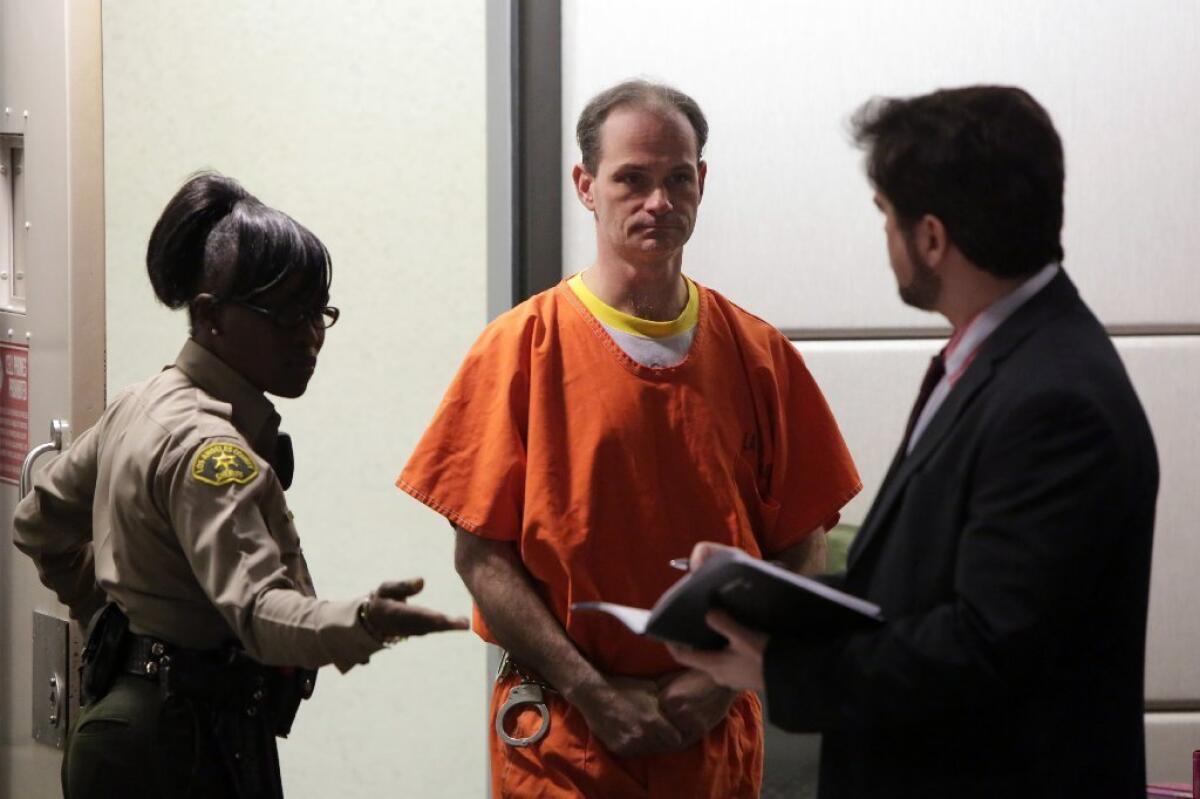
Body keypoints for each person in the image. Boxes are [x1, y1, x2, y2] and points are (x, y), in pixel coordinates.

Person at [668, 85, 1160, 798]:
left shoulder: (1053, 399)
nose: (887, 241)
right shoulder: (1007, 358)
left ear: (931, 237)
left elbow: (984, 647)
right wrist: (759, 596)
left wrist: (777, 668)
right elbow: (931, 588)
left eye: (887, 219)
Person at [398, 79, 861, 798]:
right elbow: (480, 555)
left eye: (679, 178)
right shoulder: (521, 349)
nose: (659, 202)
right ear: (586, 186)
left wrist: (714, 678)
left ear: (702, 182)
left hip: (707, 740)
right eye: (632, 180)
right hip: (564, 740)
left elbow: (802, 542)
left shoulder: (757, 354)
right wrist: (592, 691)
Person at [13, 172, 469, 799]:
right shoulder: (209, 452)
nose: (310, 337)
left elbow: (38, 521)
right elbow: (258, 610)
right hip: (178, 747)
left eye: (319, 313)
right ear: (209, 316)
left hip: (136, 724)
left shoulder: (142, 402)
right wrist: (361, 621)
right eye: (286, 317)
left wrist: (114, 622)